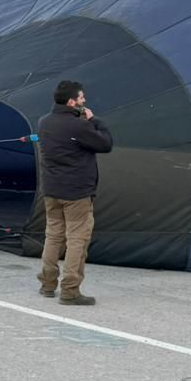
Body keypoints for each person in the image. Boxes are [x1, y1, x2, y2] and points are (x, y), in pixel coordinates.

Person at [36, 79, 113, 305]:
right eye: (81, 97)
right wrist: (95, 120)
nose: (84, 100)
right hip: (76, 192)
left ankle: (47, 284)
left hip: (51, 190)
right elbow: (105, 144)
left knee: (53, 236)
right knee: (77, 239)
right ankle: (70, 290)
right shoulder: (79, 126)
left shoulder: (44, 122)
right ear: (72, 102)